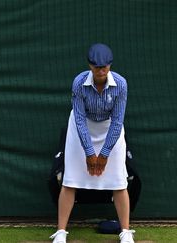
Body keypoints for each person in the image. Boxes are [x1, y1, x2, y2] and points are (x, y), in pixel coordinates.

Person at [50, 43, 135, 243]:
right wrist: (89, 152)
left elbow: (117, 120)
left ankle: (125, 231)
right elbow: (79, 118)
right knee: (70, 179)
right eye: (97, 67)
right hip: (80, 130)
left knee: (119, 180)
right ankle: (61, 232)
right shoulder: (79, 83)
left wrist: (104, 154)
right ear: (90, 65)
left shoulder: (121, 84)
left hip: (110, 130)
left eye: (105, 66)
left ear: (110, 65)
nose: (101, 70)